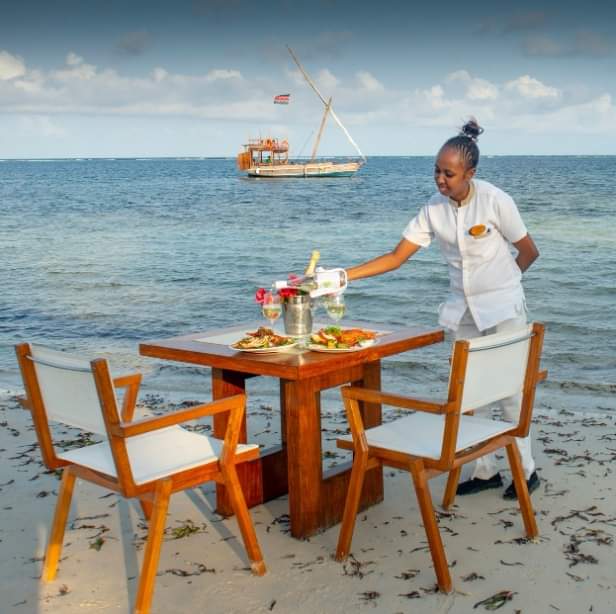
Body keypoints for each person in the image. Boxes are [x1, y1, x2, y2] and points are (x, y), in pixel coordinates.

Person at [345, 118, 540, 500]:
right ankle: (485, 471)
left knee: (510, 393)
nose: (440, 179)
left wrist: (503, 284)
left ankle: (526, 471)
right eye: (437, 170)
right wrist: (343, 275)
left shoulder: (495, 200)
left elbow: (529, 252)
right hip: (463, 312)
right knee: (469, 394)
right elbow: (396, 257)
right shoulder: (433, 209)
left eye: (448, 173)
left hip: (504, 310)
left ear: (470, 173)